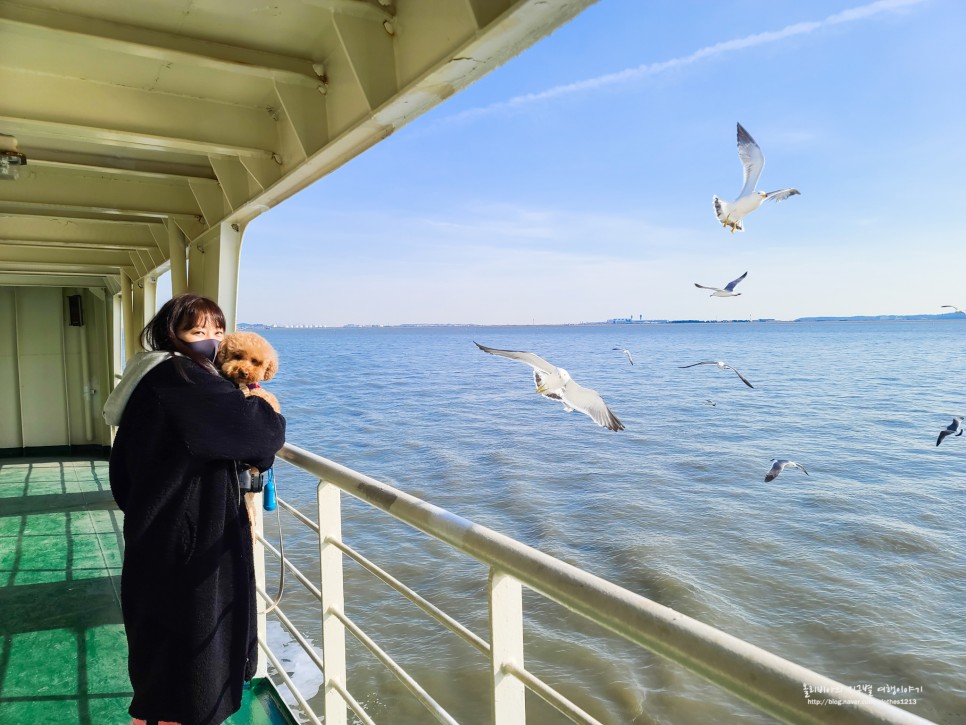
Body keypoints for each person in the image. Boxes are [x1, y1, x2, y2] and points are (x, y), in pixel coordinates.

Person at [104, 294, 286, 725]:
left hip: (158, 525)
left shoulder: (151, 374)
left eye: (217, 331)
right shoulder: (181, 376)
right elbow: (258, 436)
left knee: (164, 651)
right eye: (197, 331)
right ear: (173, 334)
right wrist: (264, 405)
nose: (210, 339)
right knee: (193, 654)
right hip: (186, 536)